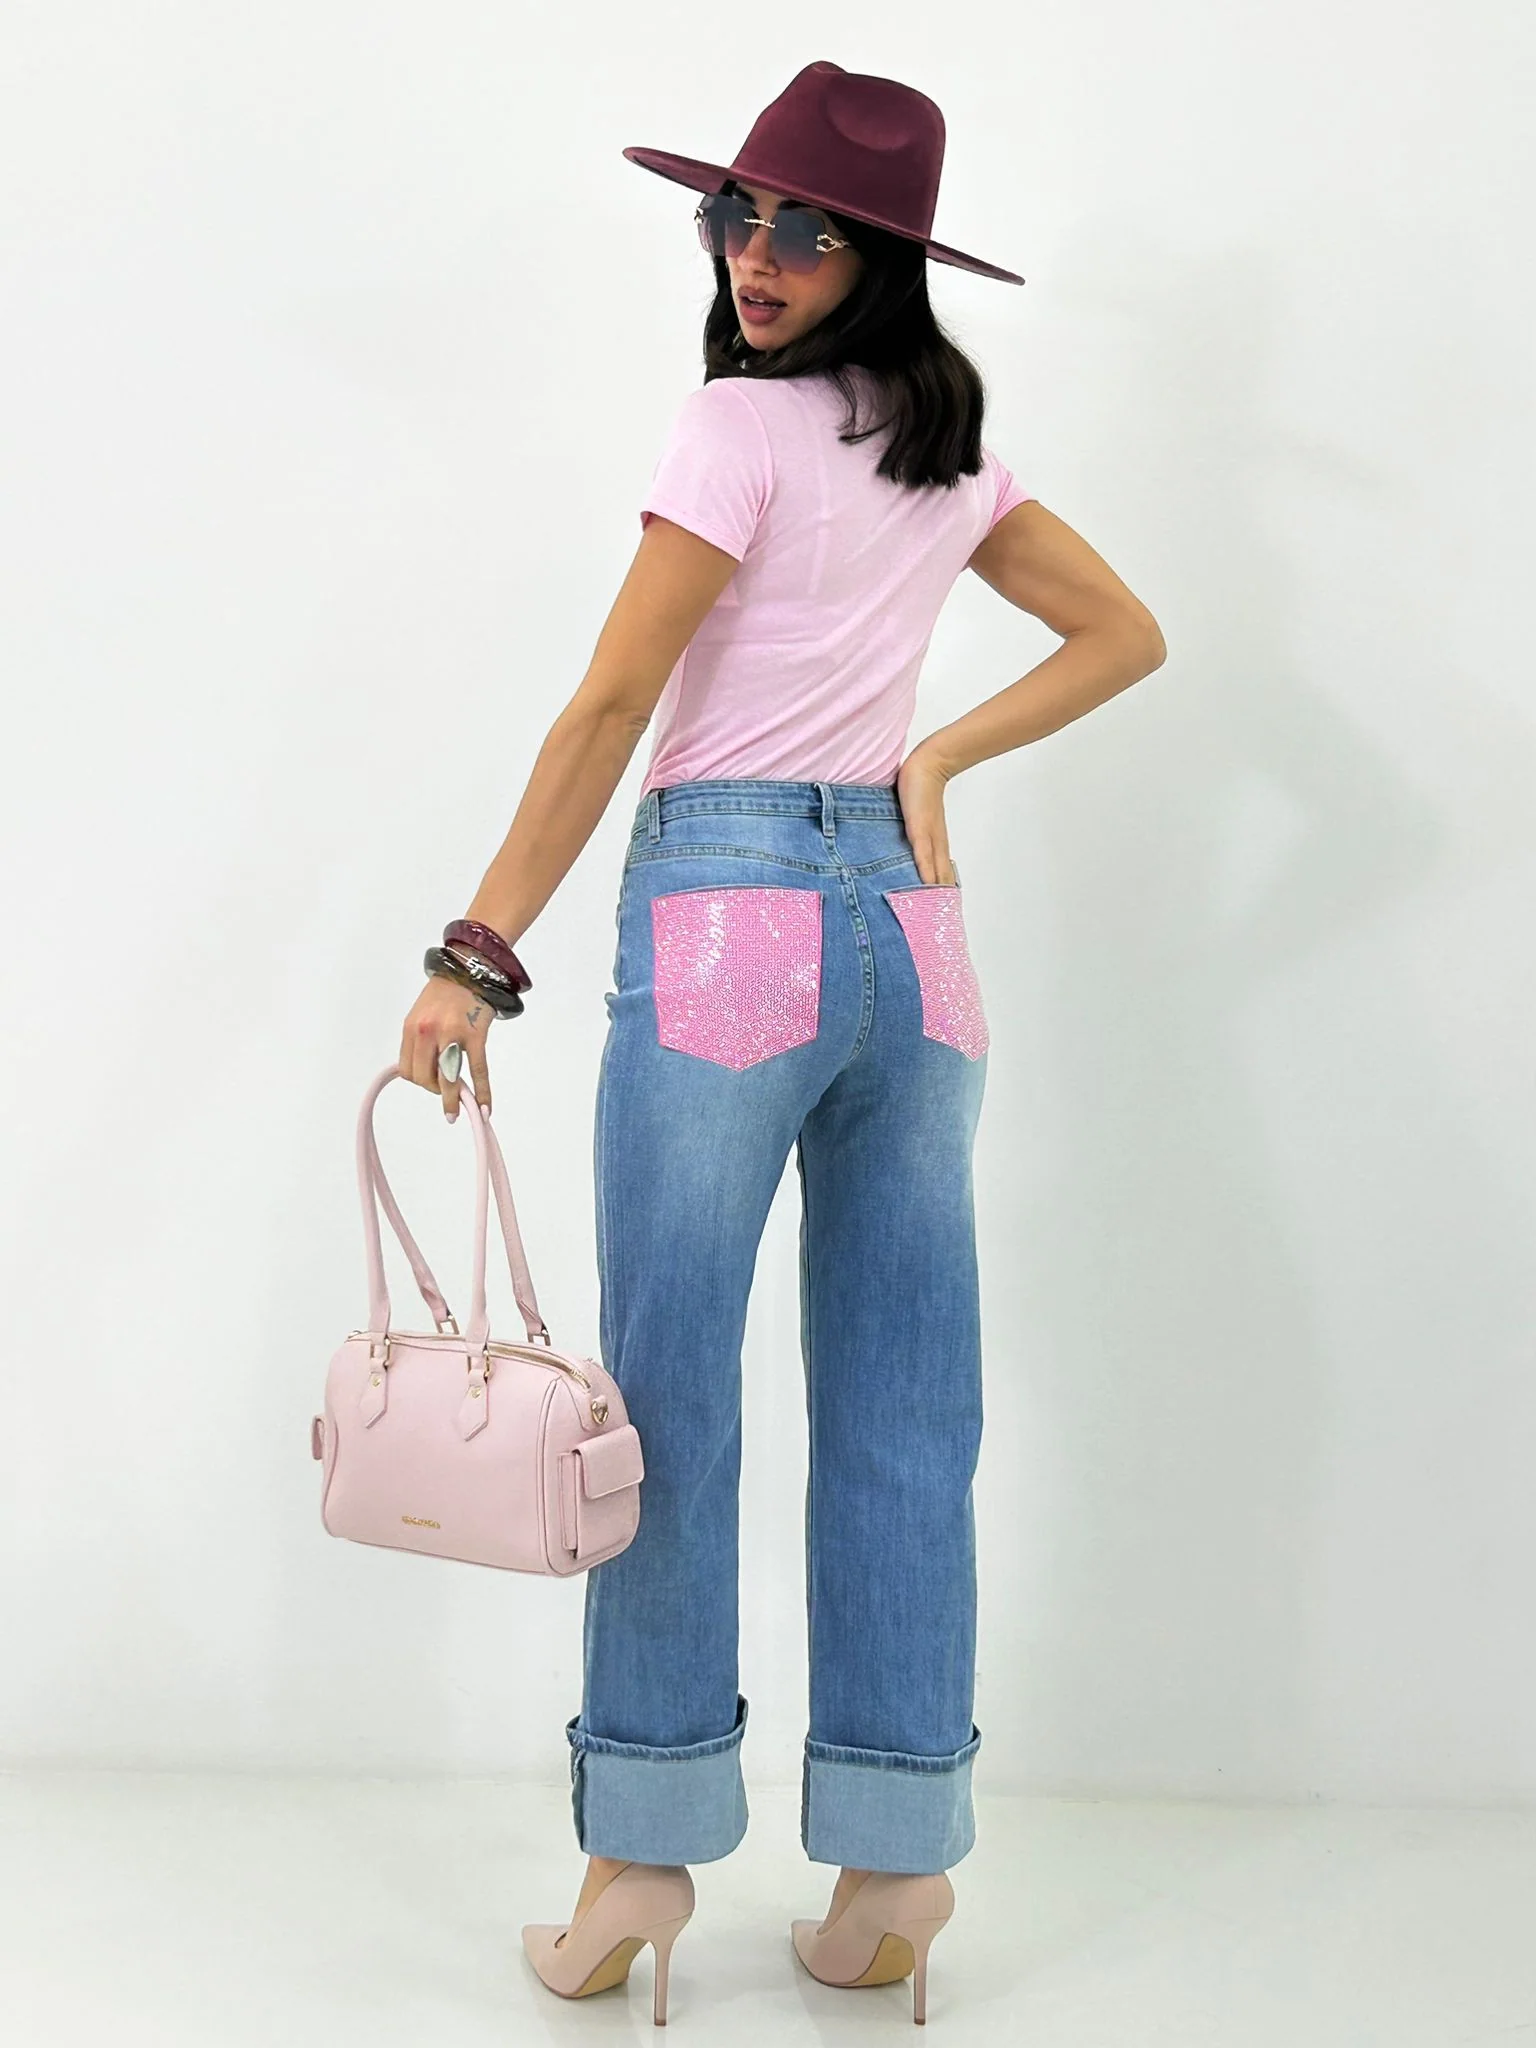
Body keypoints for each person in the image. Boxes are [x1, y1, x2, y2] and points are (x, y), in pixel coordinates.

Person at [397, 60, 1164, 2029]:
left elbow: (609, 703)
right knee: (911, 1402)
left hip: (730, 909)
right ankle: (896, 1873)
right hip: (915, 940)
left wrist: (479, 953)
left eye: (807, 230)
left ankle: (639, 1864)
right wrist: (933, 766)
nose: (760, 254)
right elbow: (1122, 633)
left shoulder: (735, 428)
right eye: (739, 215)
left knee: (667, 1396)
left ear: (877, 256)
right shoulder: (949, 449)